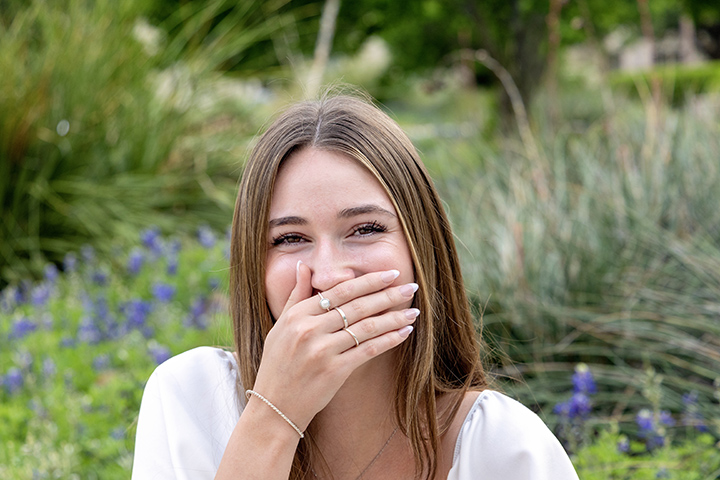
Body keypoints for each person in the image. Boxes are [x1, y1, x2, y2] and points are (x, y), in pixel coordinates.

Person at [132, 94, 579, 479]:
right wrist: (271, 419)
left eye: (365, 229)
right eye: (290, 238)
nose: (328, 275)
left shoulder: (500, 446)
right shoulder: (191, 402)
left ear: (421, 247)